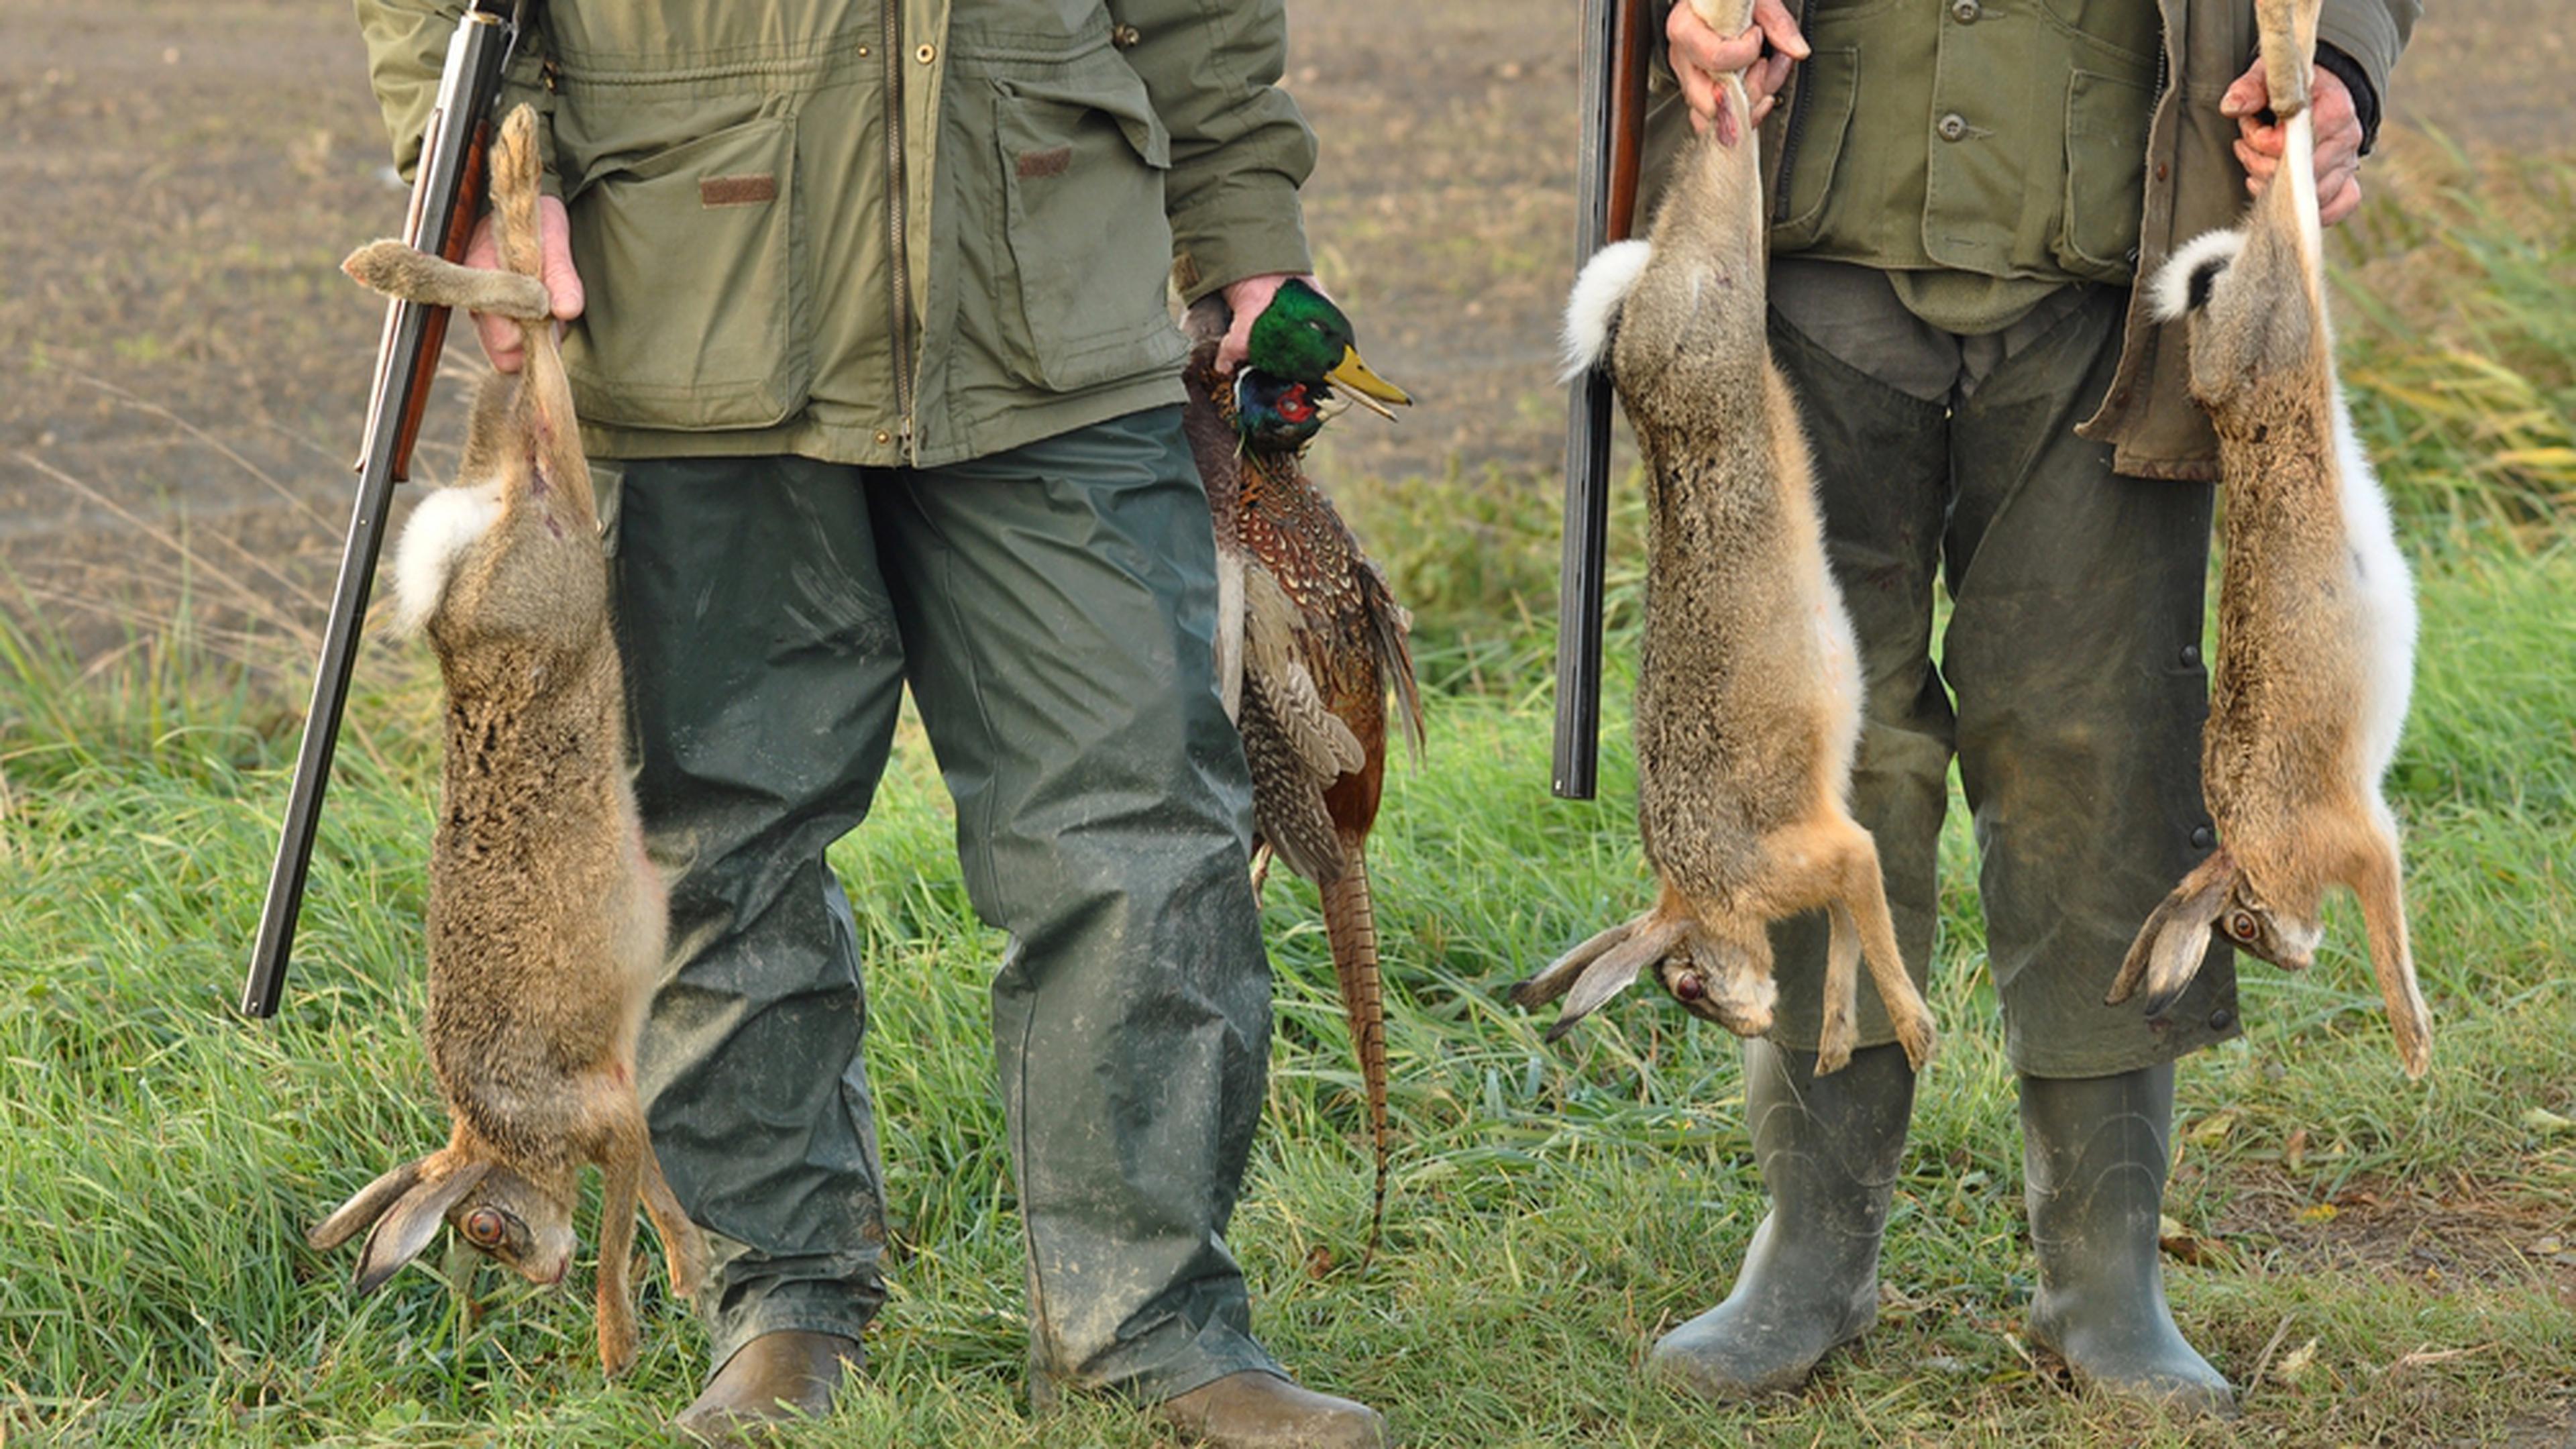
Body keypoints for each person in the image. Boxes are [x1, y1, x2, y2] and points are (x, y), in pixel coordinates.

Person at [352, 3, 1385, 1445]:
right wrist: (481, 167)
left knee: (1144, 820)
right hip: (685, 301)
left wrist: (1244, 215)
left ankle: (1151, 1325)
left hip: (1054, 303)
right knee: (719, 838)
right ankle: (783, 1304)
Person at [1634, 0, 2414, 1416]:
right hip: (1801, 227)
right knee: (1818, 764)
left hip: (2121, 247)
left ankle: (2106, 1276)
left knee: (2097, 740)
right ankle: (1811, 1250)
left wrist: (2340, 61)